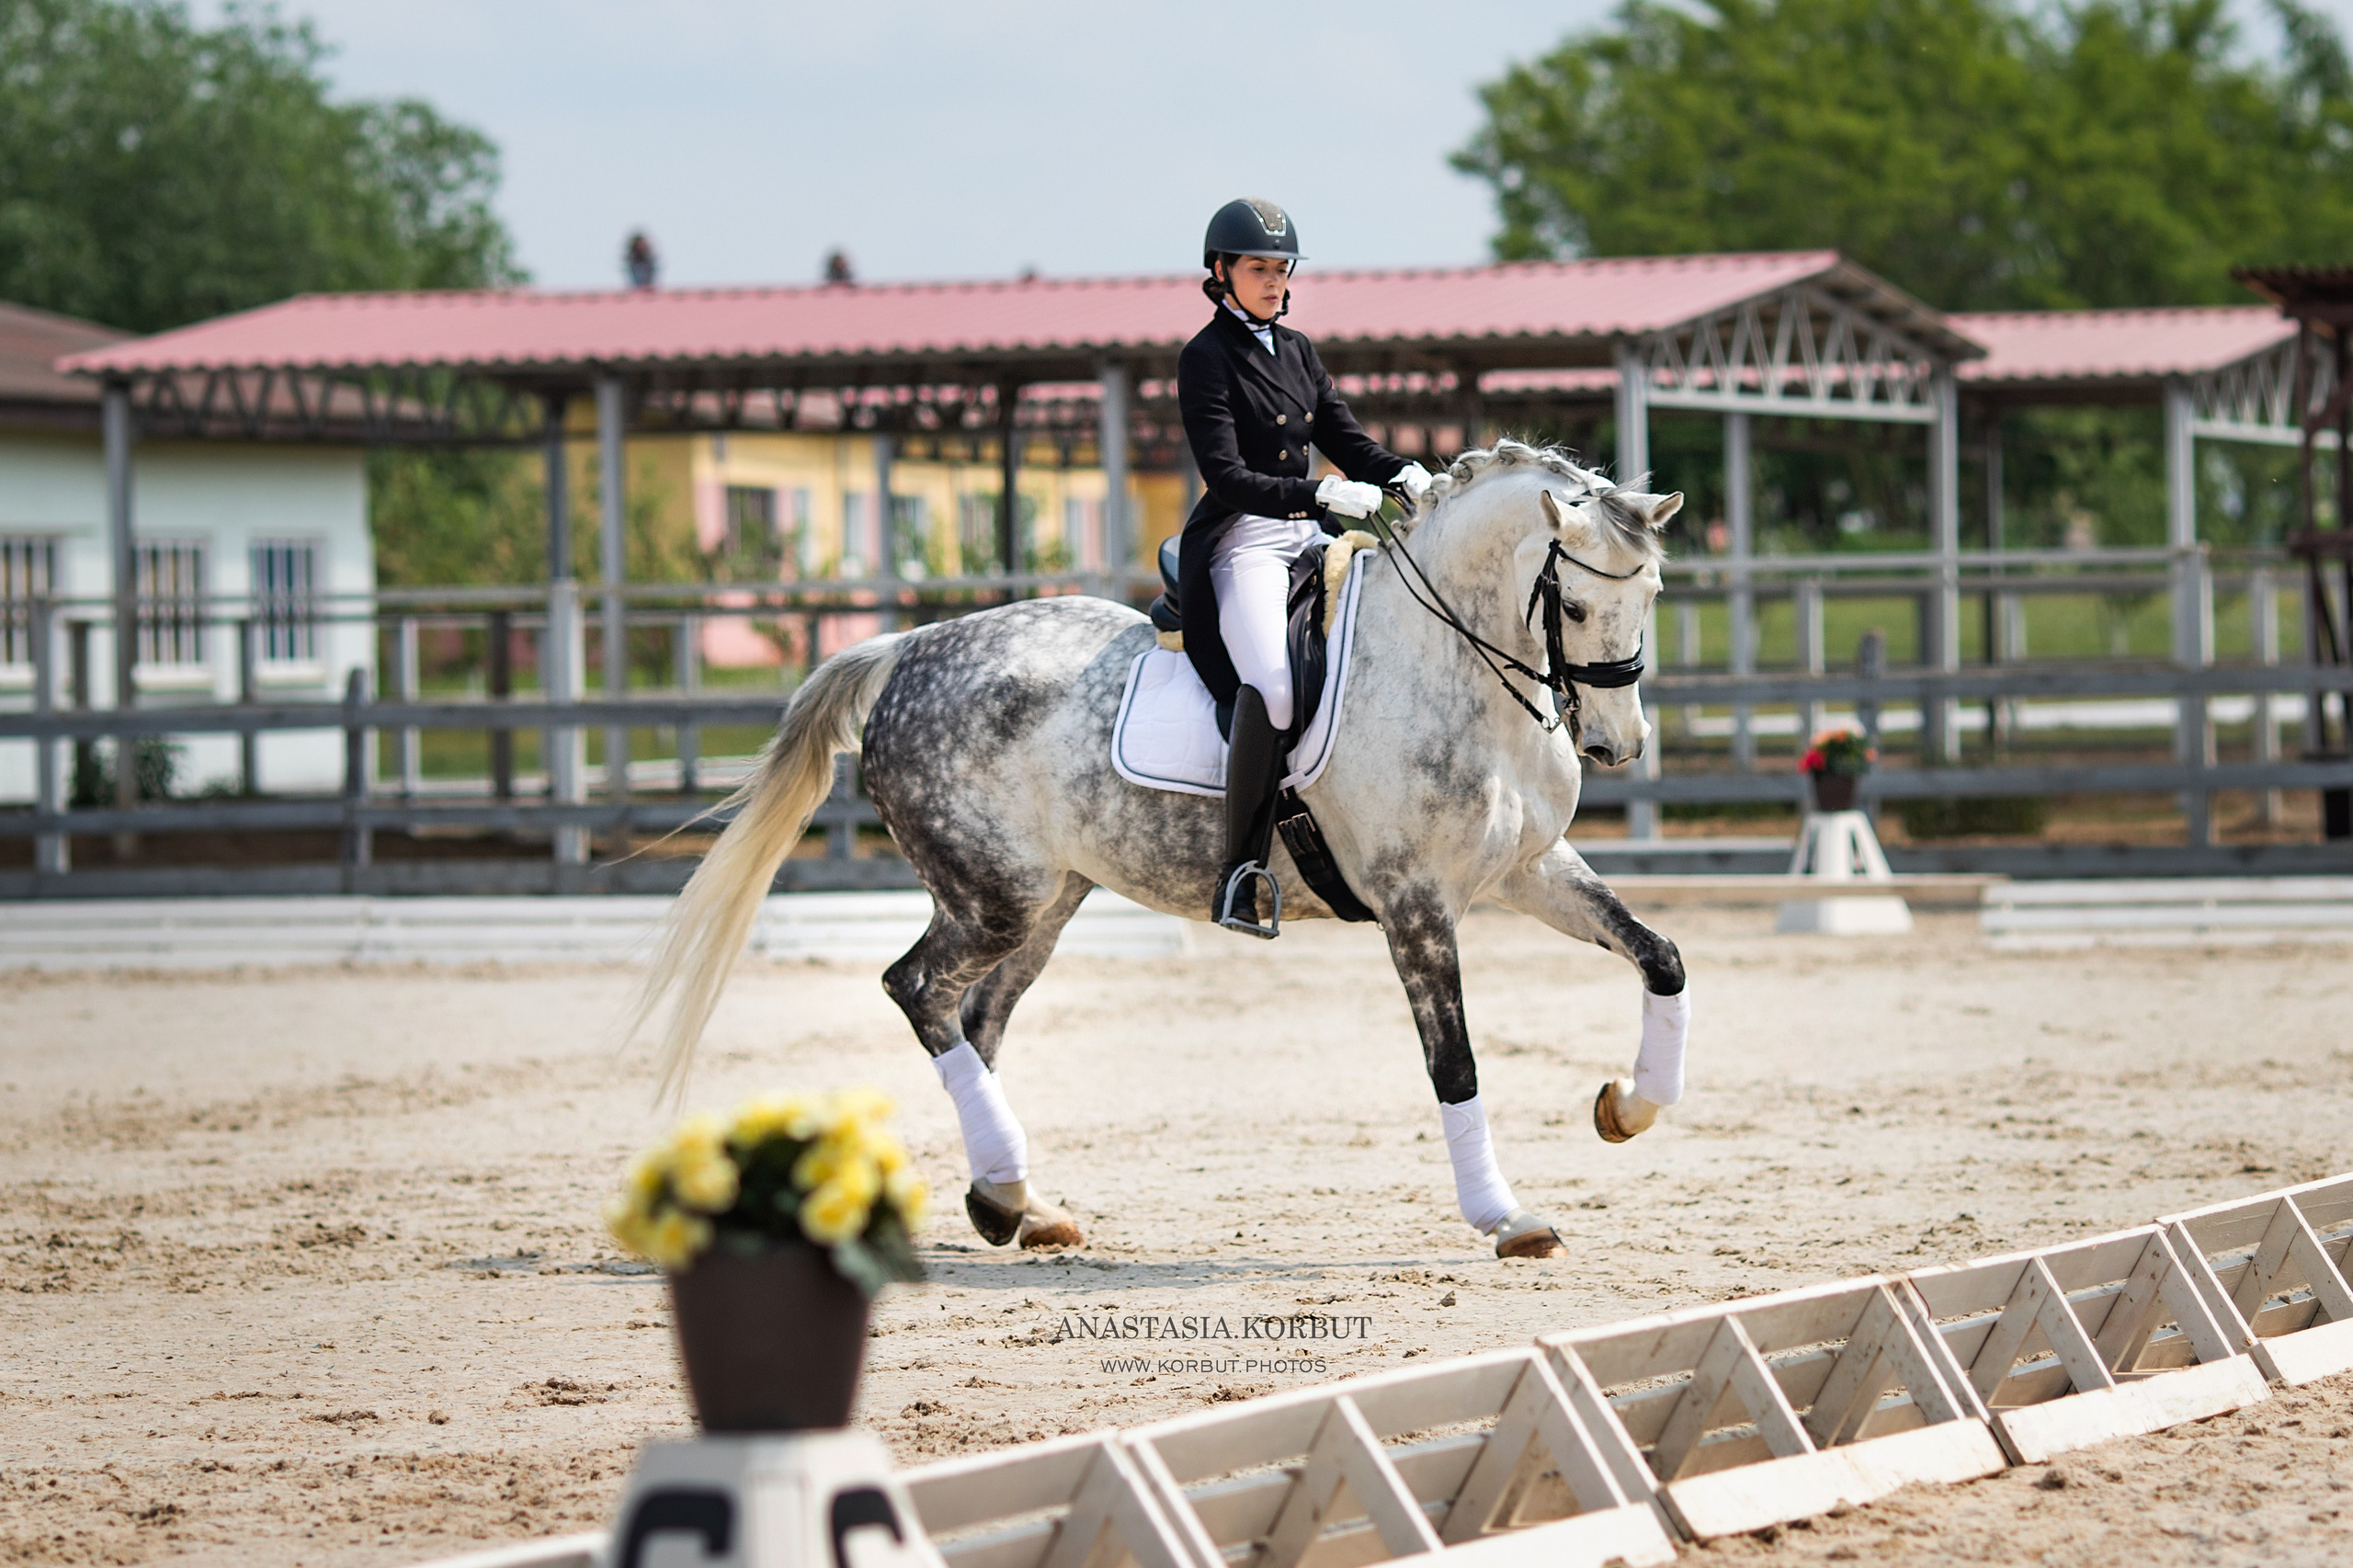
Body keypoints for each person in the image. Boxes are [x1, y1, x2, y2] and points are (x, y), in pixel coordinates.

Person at [1176, 198, 1432, 937]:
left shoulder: (1298, 350)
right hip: (1247, 540)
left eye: (1282, 269)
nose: (1274, 281)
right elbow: (1226, 477)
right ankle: (1240, 874)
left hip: (1313, 536)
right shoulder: (1205, 357)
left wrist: (1404, 473)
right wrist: (1316, 492)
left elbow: (1349, 442)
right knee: (1278, 691)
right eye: (1259, 268)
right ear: (1221, 271)